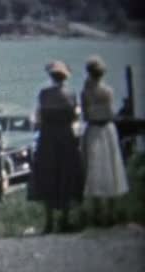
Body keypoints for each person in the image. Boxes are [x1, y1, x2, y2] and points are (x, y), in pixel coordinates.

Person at [29, 60, 84, 233]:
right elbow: (76, 117)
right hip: (66, 138)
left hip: (47, 139)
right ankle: (65, 219)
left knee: (48, 177)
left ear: (51, 77)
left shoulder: (43, 94)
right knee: (66, 176)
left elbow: (37, 120)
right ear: (65, 78)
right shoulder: (72, 94)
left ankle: (49, 221)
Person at [80, 55, 129, 225]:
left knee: (94, 171)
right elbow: (110, 113)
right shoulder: (108, 91)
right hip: (108, 129)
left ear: (89, 73)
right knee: (111, 169)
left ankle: (96, 212)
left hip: (93, 129)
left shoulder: (85, 92)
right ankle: (111, 212)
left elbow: (85, 116)